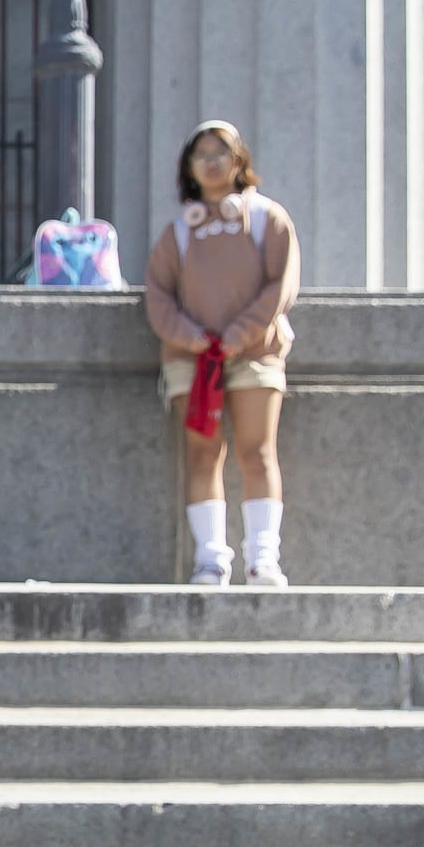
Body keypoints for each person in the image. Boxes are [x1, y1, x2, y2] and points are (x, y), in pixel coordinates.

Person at [142, 119, 301, 586]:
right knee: (202, 455)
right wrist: (193, 337)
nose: (211, 162)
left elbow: (282, 284)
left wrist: (240, 333)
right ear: (189, 167)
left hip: (256, 354)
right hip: (192, 361)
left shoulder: (268, 218)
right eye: (201, 154)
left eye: (221, 152)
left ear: (240, 161)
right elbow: (158, 296)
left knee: (258, 451)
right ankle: (210, 559)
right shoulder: (177, 233)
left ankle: (263, 558)